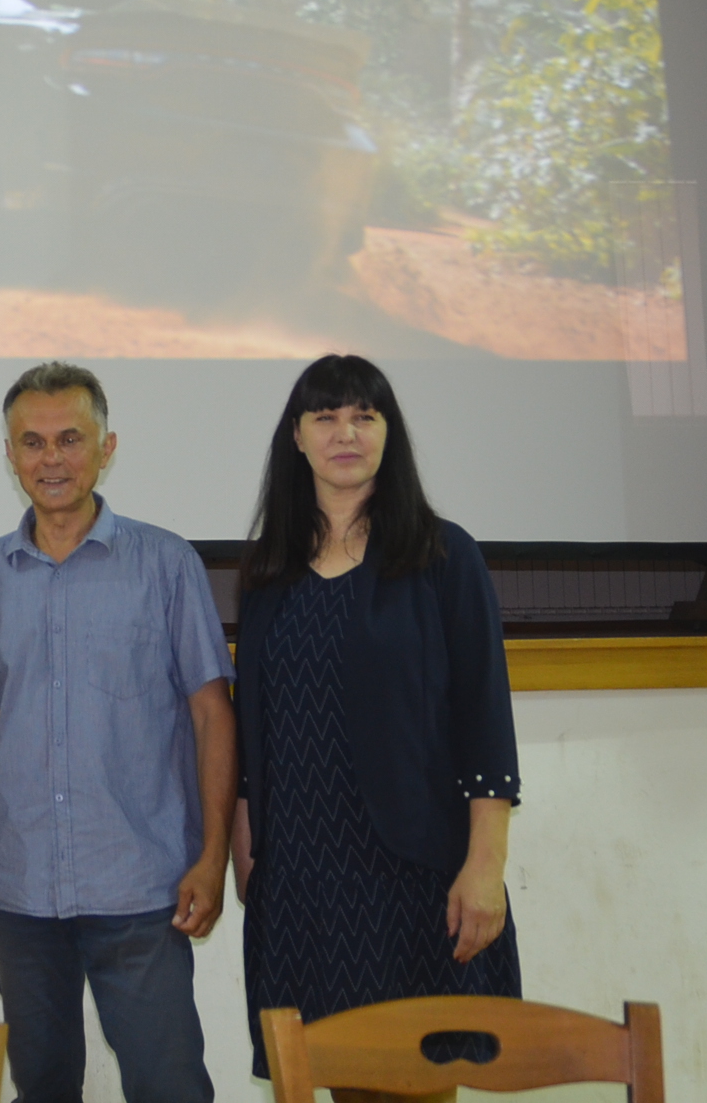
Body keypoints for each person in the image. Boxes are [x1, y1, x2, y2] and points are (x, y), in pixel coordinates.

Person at [0, 362, 235, 1103]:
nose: (51, 458)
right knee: (44, 1087)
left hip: (142, 884)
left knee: (170, 1088)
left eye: (70, 439)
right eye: (32, 443)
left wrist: (213, 856)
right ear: (10, 457)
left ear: (107, 447)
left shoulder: (166, 565)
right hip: (18, 890)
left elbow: (211, 715)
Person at [232, 354, 520, 1090]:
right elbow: (255, 721)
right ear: (296, 437)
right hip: (301, 885)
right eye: (325, 417)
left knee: (418, 1080)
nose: (345, 433)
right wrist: (247, 840)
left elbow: (485, 719)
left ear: (390, 433)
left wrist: (485, 867)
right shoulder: (269, 572)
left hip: (414, 881)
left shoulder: (443, 556)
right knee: (329, 1076)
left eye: (365, 415)